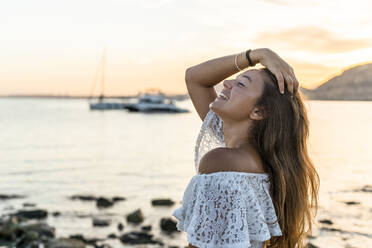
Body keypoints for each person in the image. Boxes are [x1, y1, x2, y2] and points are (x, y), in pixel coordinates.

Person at [172, 48, 320, 247]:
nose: (227, 83)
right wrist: (258, 55)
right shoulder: (257, 159)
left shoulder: (223, 161)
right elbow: (195, 78)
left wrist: (257, 56)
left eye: (240, 84)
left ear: (258, 111)